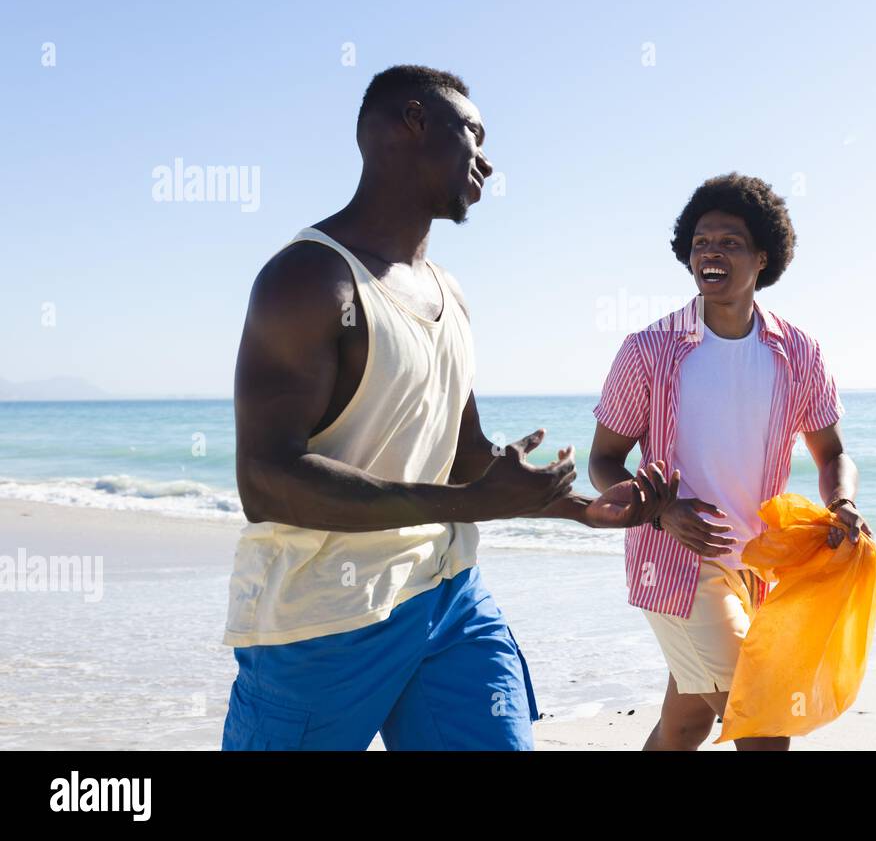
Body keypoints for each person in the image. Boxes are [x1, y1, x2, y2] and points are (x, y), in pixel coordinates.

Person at [220, 64, 670, 751]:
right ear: (412, 122)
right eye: (473, 132)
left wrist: (583, 507)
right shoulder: (310, 277)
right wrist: (472, 503)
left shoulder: (449, 293)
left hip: (451, 598)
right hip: (322, 622)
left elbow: (464, 459)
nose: (486, 159)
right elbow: (266, 481)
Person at [588, 172, 873, 751]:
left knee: (686, 722)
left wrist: (841, 501)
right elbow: (603, 462)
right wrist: (661, 512)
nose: (709, 252)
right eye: (700, 242)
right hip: (676, 563)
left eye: (729, 242)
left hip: (760, 565)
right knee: (762, 721)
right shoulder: (649, 349)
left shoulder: (798, 352)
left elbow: (833, 451)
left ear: (762, 258)